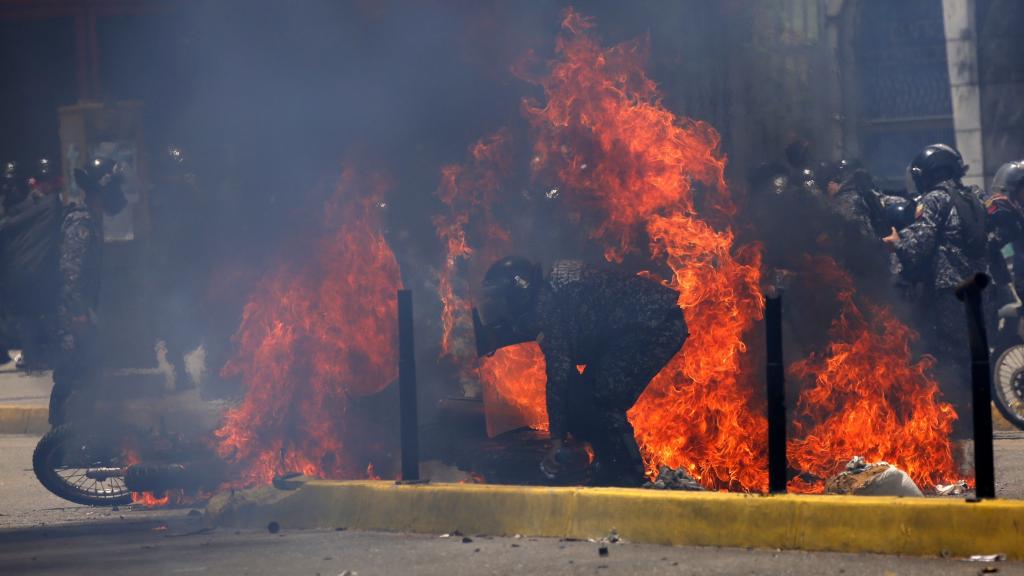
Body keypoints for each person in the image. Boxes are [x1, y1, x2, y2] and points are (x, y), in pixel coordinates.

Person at [473, 256, 688, 487]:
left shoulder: (548, 310)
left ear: (518, 295)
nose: (497, 309)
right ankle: (609, 466)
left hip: (654, 326)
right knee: (584, 400)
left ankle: (628, 479)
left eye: (500, 300)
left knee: (602, 398)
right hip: (638, 327)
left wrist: (556, 440)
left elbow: (559, 377)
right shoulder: (550, 293)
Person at [883, 143, 988, 420]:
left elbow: (922, 241)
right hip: (977, 287)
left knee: (948, 351)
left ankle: (955, 416)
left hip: (948, 288)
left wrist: (897, 242)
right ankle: (973, 411)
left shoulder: (935, 199)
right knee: (972, 351)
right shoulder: (974, 196)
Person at [49, 157, 127, 426]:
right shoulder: (81, 223)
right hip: (70, 317)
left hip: (77, 314)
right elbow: (70, 274)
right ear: (102, 189)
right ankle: (58, 443)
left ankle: (73, 438)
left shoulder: (91, 221)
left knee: (84, 374)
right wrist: (78, 314)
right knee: (72, 377)